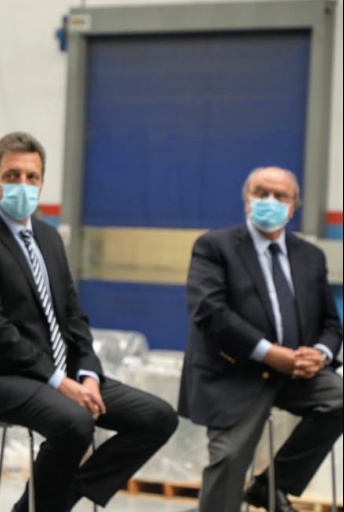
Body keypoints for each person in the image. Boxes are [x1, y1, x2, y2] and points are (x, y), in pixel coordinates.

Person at [0, 131, 178, 512]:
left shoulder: (48, 237)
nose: (23, 184)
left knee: (157, 418)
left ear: (42, 184)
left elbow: (73, 316)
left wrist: (89, 375)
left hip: (53, 373)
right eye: (12, 176)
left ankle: (50, 501)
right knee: (75, 421)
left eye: (32, 177)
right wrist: (59, 382)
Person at [178, 166, 343, 512]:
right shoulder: (215, 246)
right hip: (234, 372)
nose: (270, 201)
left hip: (295, 373)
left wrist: (320, 354)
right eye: (261, 193)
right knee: (229, 458)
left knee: (339, 398)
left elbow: (330, 321)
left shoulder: (310, 256)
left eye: (280, 196)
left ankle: (270, 486)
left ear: (293, 206)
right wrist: (269, 353)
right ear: (247, 201)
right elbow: (209, 311)